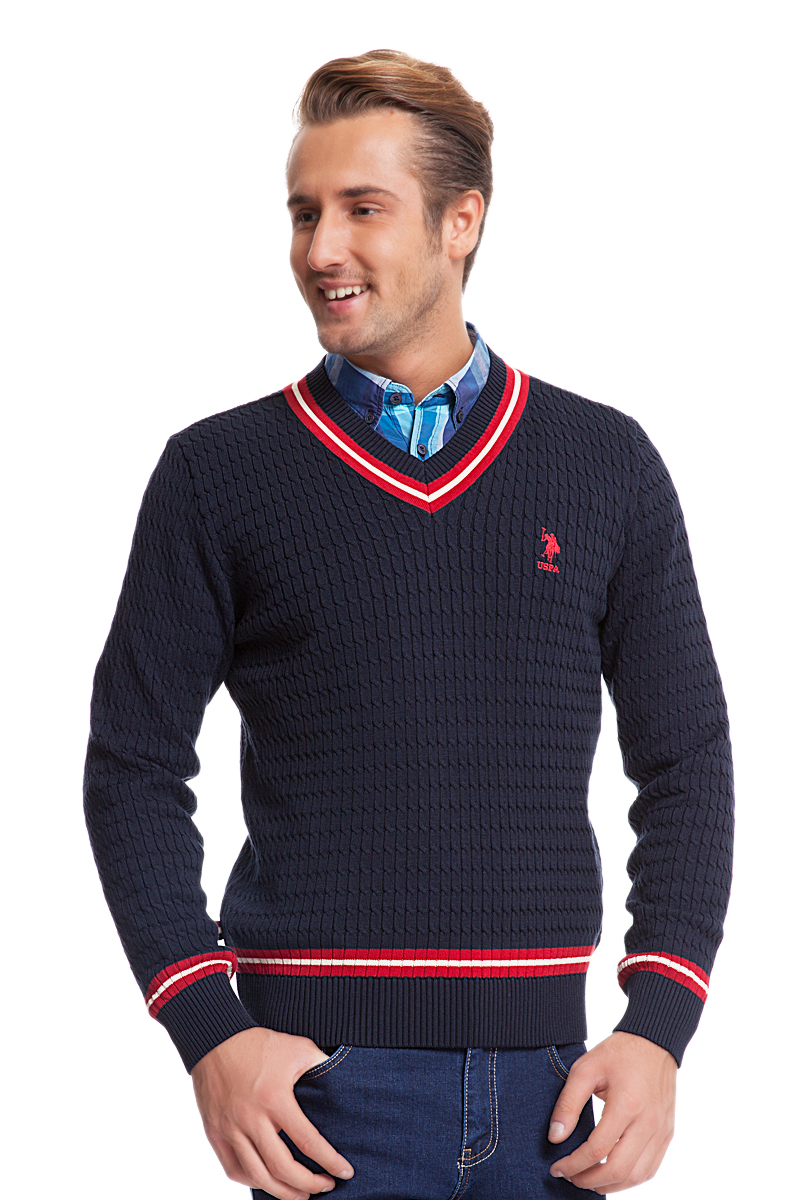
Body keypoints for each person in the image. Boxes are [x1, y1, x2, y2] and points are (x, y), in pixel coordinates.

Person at [83, 49, 734, 1199]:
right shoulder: (217, 475)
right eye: (303, 213)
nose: (319, 249)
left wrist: (658, 1026)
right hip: (320, 1101)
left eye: (361, 208)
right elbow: (131, 763)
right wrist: (207, 1032)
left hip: (556, 1097)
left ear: (459, 222)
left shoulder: (604, 466)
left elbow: (686, 759)